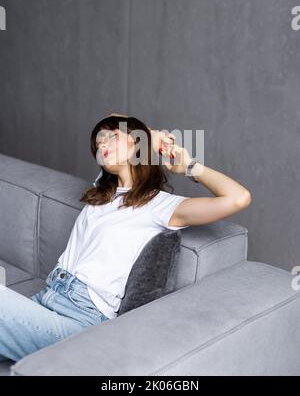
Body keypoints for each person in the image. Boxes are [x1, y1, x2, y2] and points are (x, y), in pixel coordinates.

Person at [0, 114, 251, 362]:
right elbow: (113, 117)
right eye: (99, 143)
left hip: (80, 319)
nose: (102, 144)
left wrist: (188, 166)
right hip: (46, 298)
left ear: (136, 143)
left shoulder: (160, 206)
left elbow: (238, 198)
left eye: (112, 137)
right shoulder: (103, 188)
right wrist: (151, 136)